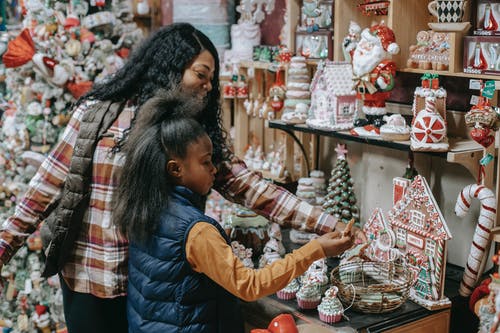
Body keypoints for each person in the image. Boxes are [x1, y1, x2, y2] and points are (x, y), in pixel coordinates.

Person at [0, 23, 365, 333]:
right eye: (200, 75)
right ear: (170, 67)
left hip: (151, 289)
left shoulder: (190, 137)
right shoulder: (98, 115)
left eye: (211, 80)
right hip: (87, 279)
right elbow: (42, 190)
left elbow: (255, 189)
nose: (207, 87)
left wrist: (331, 225)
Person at [114, 92, 354, 333]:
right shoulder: (196, 231)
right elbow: (249, 285)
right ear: (175, 169)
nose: (214, 169)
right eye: (206, 162)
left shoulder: (143, 206)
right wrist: (317, 249)